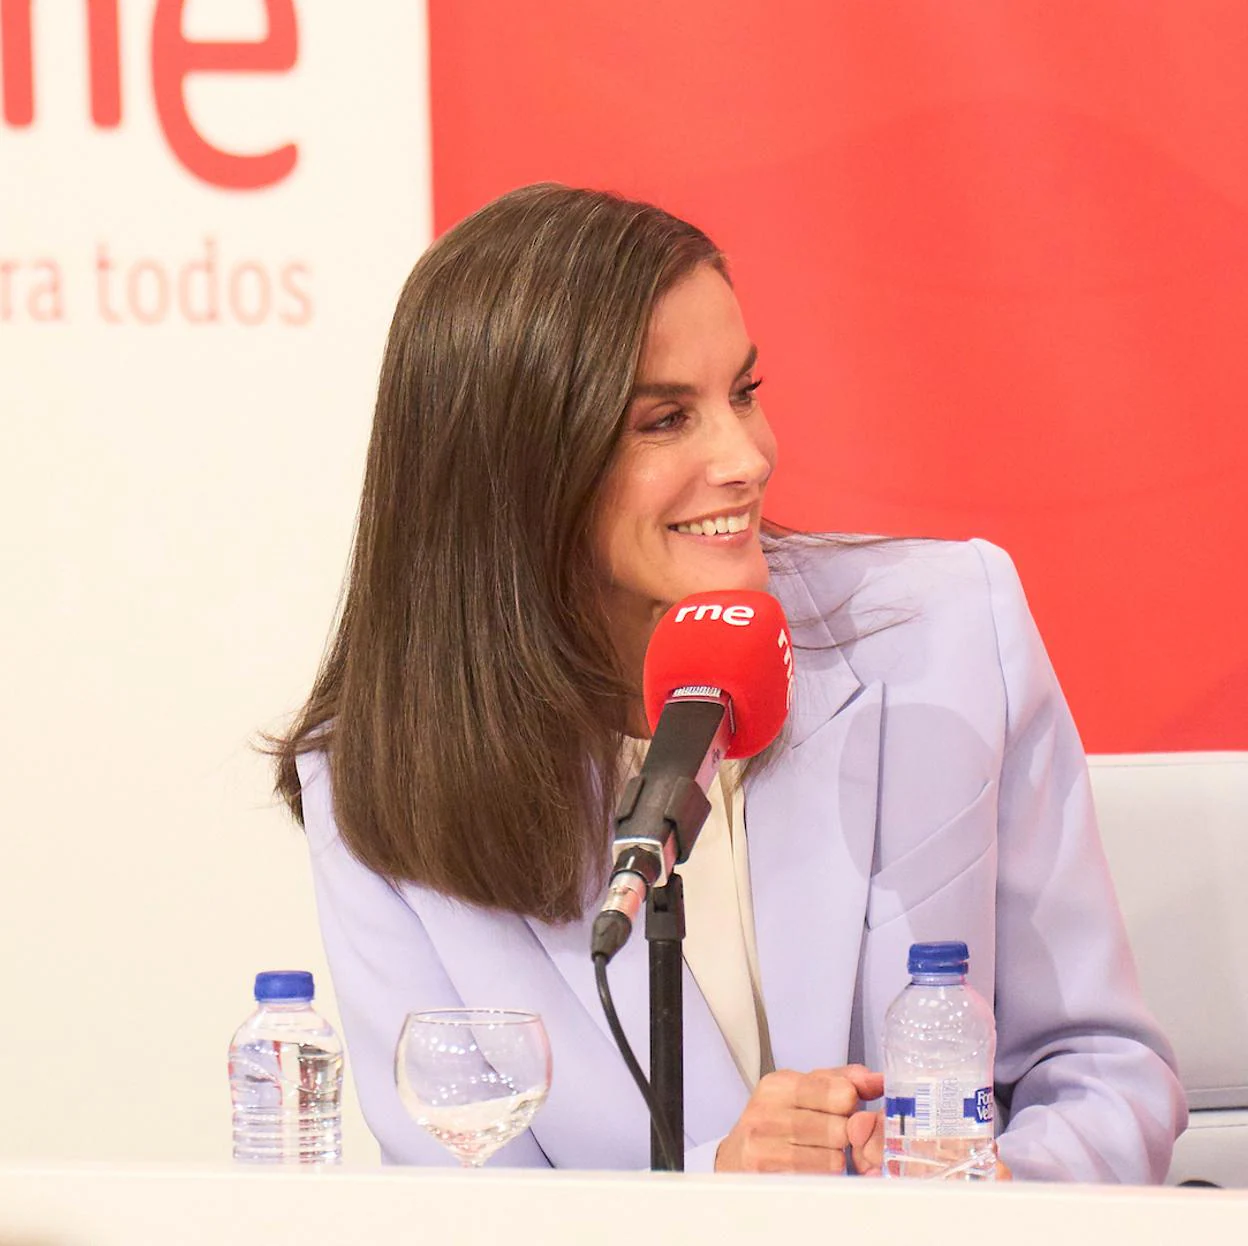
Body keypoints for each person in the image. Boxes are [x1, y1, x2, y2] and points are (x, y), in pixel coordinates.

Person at [272, 183, 1186, 1179]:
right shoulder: (376, 785)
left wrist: (986, 1188)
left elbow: (1105, 1073)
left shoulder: (951, 630)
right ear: (519, 469)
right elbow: (462, 1205)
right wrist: (719, 1192)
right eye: (665, 420)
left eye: (743, 392)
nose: (747, 456)